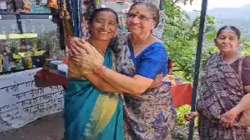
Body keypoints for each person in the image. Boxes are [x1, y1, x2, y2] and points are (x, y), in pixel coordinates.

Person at [70, 2, 176, 140]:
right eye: (132, 15)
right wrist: (74, 41)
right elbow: (95, 39)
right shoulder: (121, 39)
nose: (135, 20)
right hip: (124, 110)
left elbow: (136, 87)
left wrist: (97, 67)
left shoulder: (156, 51)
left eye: (143, 17)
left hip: (151, 117)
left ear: (154, 23)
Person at [64, 8, 124, 140]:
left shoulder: (111, 52)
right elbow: (104, 85)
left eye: (111, 23)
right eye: (99, 21)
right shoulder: (80, 50)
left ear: (116, 29)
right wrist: (139, 87)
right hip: (84, 113)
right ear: (88, 25)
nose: (105, 27)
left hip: (110, 113)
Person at [186, 25, 250, 140]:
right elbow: (210, 93)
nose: (226, 41)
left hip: (231, 126)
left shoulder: (244, 64)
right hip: (207, 126)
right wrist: (200, 112)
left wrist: (234, 112)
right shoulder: (212, 61)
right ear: (216, 42)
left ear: (238, 43)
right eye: (222, 37)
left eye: (231, 38)